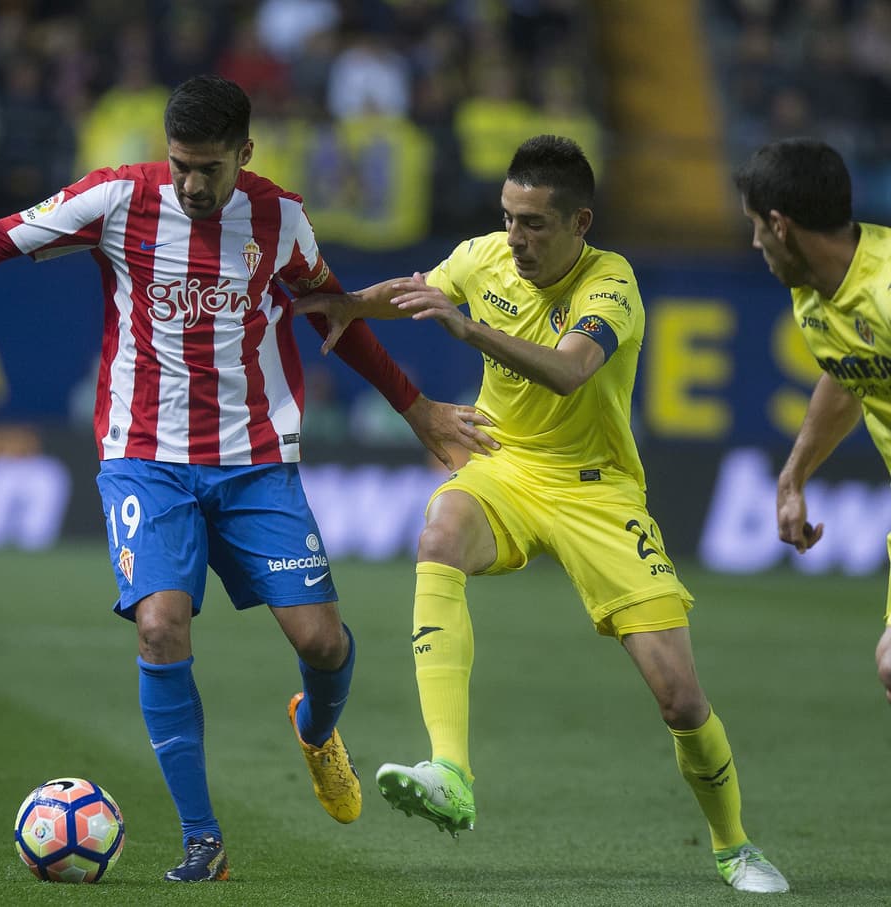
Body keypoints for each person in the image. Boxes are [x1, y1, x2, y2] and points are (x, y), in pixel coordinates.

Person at [0, 75, 494, 883]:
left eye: (211, 168)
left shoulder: (281, 219)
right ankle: (203, 838)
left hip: (256, 461)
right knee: (160, 625)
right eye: (181, 165)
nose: (194, 184)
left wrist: (417, 411)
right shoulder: (117, 199)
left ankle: (314, 727)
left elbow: (335, 314)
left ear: (246, 155)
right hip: (145, 458)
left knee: (322, 641)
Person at [297, 135, 789, 894]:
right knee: (440, 533)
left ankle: (734, 846)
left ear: (580, 223)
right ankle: (451, 770)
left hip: (598, 491)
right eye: (508, 218)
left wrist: (466, 329)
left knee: (679, 697)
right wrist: (351, 304)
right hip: (506, 465)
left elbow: (568, 371)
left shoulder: (613, 284)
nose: (515, 238)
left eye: (533, 224)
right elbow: (421, 286)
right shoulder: (485, 255)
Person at [735, 137, 891, 703]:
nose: (754, 242)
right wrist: (793, 477)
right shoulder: (814, 298)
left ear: (779, 225)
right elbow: (848, 375)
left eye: (755, 226)